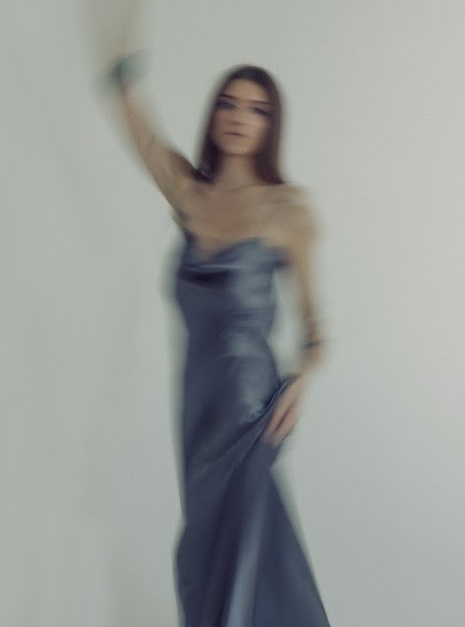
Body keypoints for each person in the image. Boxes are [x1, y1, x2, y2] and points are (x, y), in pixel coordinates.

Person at [105, 55, 332, 626]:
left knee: (243, 537)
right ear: (213, 115)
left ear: (271, 126)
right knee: (205, 548)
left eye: (257, 110)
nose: (239, 117)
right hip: (196, 402)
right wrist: (122, 76)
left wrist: (301, 380)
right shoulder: (189, 195)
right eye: (229, 104)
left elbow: (315, 330)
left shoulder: (287, 211)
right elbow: (146, 141)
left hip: (250, 402)